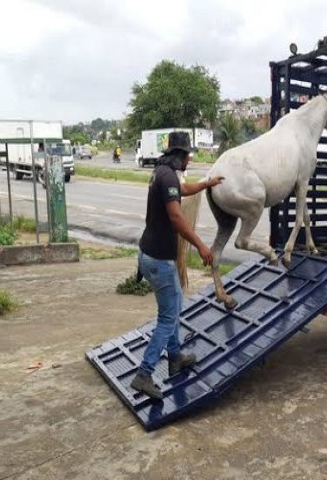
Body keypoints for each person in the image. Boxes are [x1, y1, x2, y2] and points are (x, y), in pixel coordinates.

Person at [130, 131, 224, 400]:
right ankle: (144, 374)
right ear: (180, 155)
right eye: (188, 155)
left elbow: (183, 191)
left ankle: (175, 357)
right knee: (168, 317)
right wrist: (201, 245)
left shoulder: (162, 173)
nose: (189, 160)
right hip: (159, 260)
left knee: (174, 307)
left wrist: (208, 183)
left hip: (149, 255)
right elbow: (176, 217)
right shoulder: (168, 175)